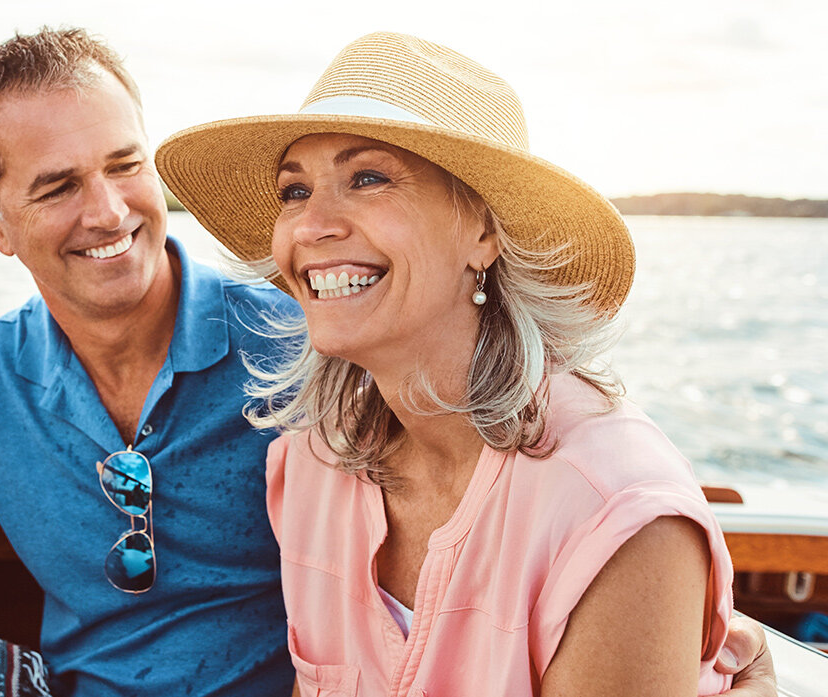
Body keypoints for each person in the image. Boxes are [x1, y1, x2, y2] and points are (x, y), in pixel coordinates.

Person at [0, 27, 776, 697]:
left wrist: (688, 613)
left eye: (124, 164)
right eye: (55, 186)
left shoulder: (307, 353)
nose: (110, 211)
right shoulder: (316, 437)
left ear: (484, 229)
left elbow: (566, 467)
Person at [156, 31, 773, 696]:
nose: (311, 225)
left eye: (368, 178)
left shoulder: (616, 510)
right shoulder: (309, 465)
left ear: (484, 232)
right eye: (295, 190)